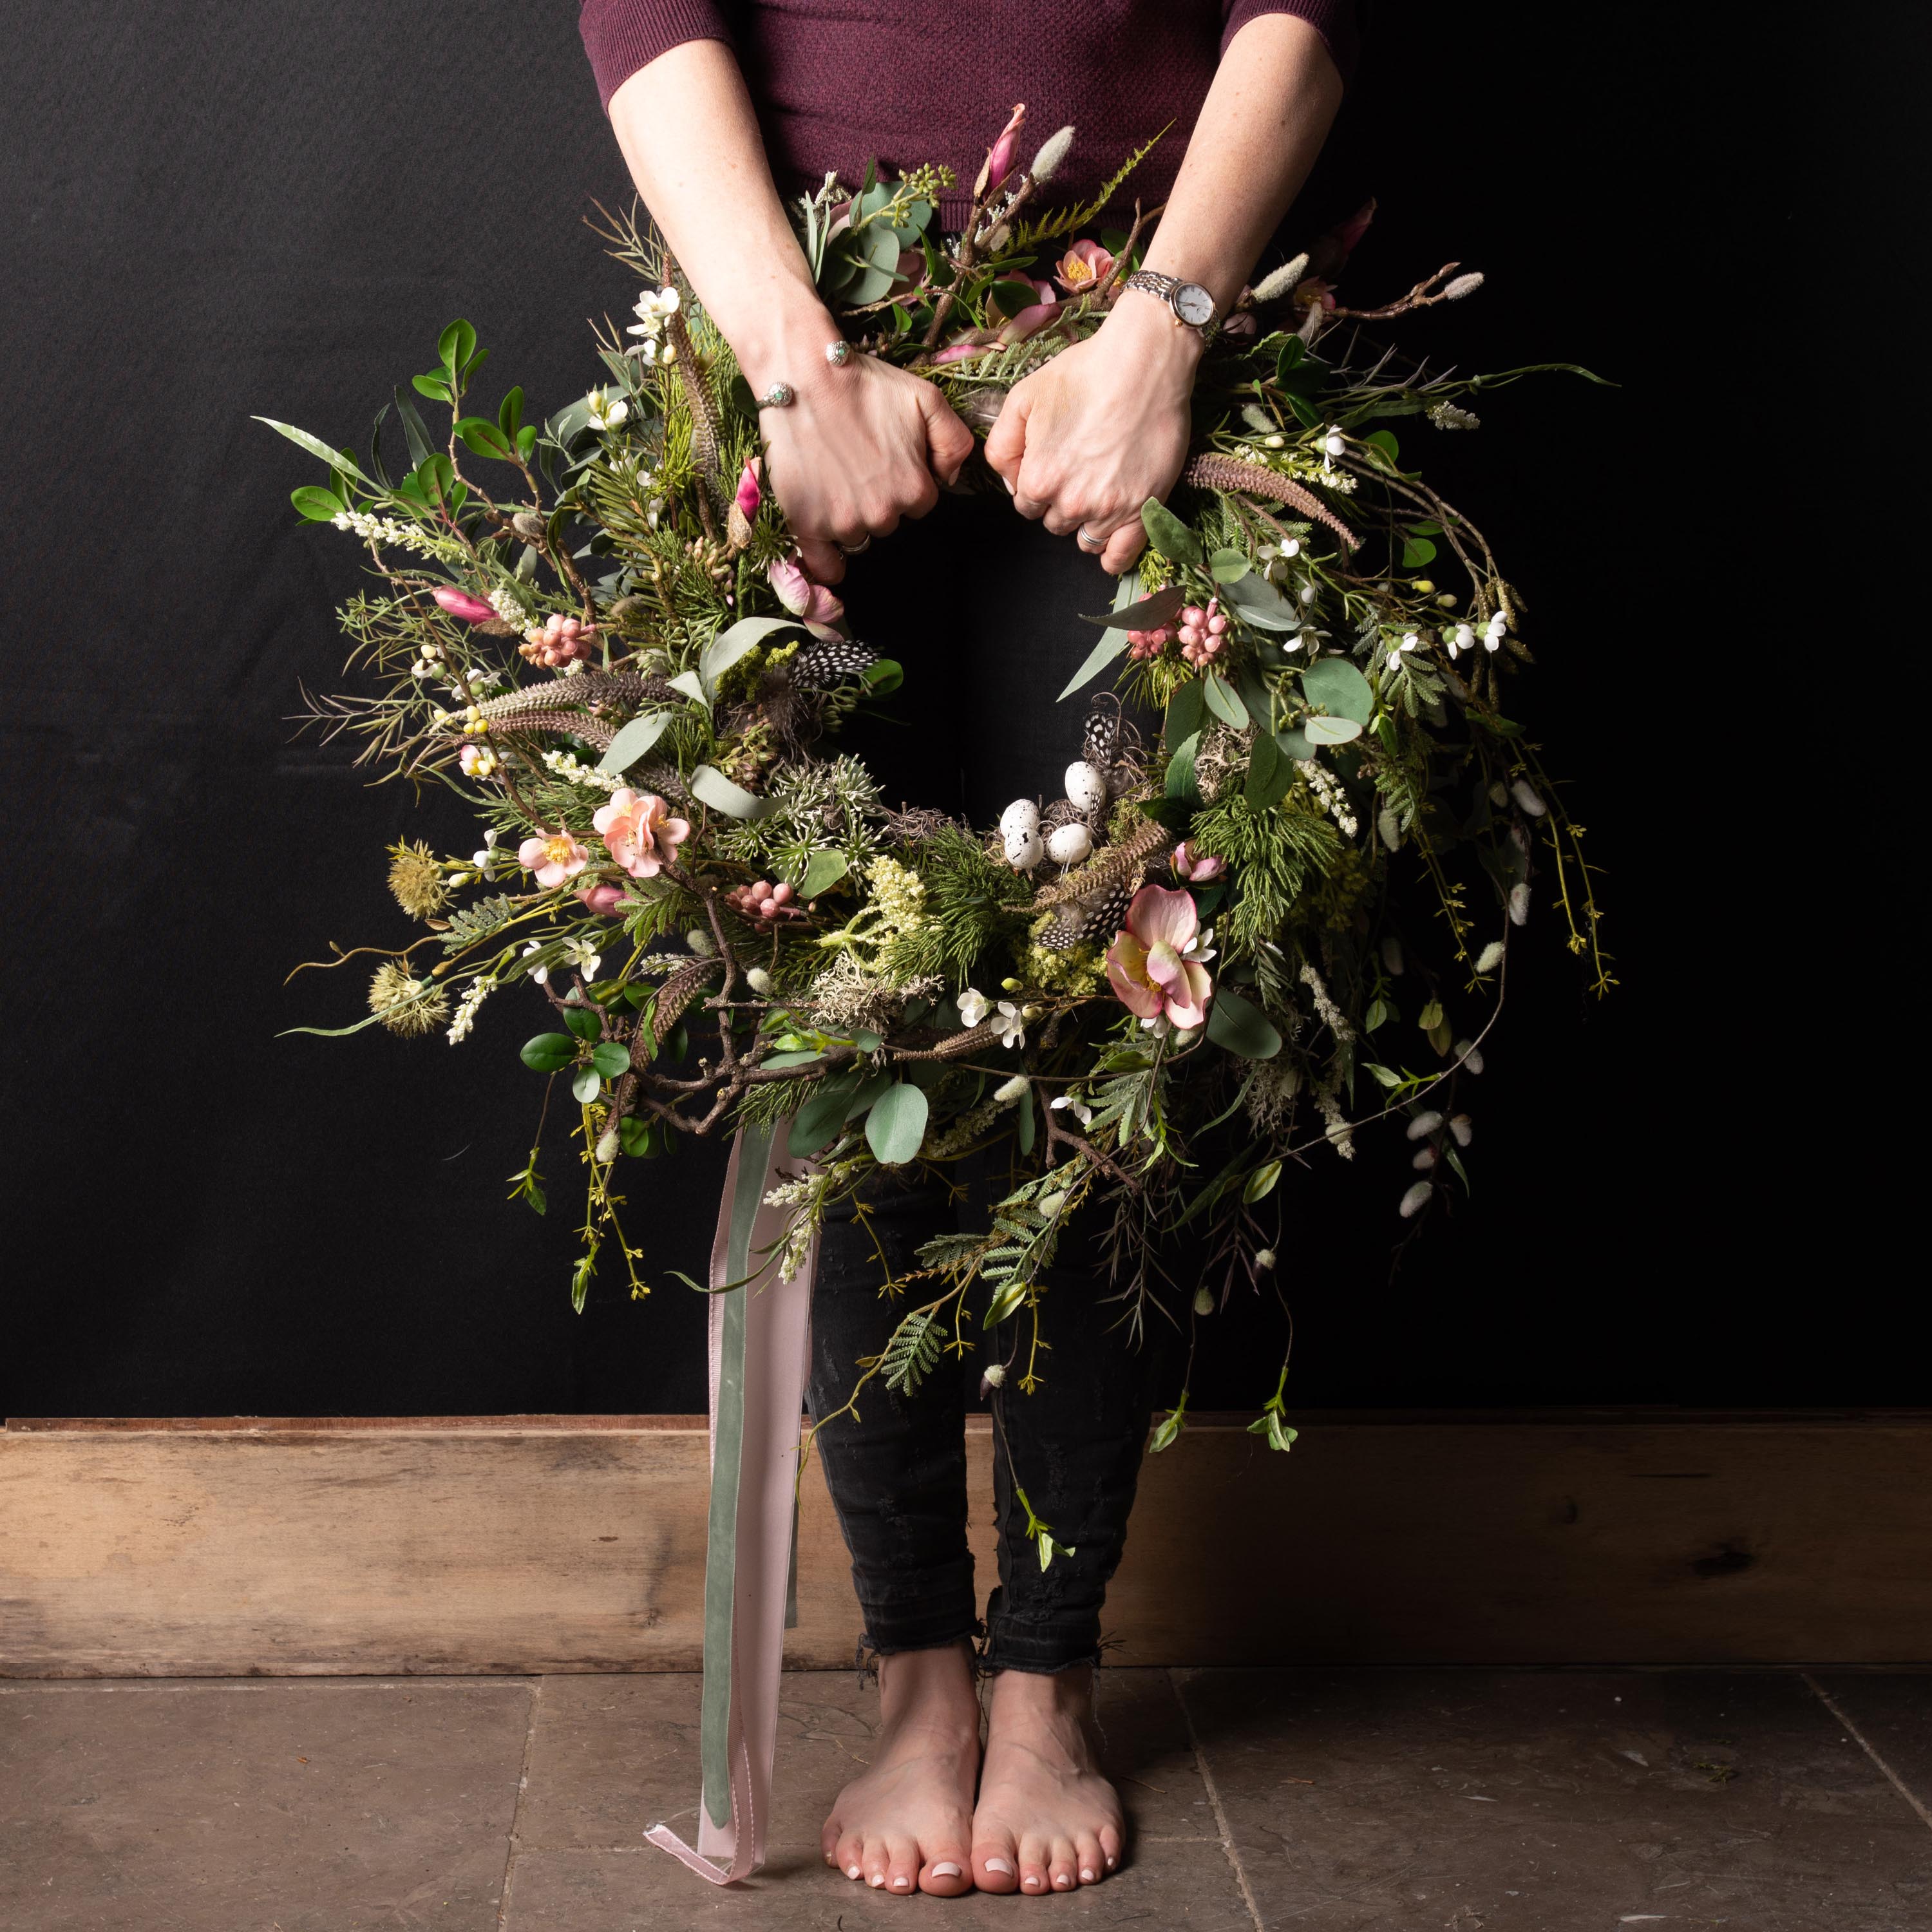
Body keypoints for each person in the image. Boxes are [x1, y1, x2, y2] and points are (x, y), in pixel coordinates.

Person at [580, 0, 1353, 1898]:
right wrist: (792, 366)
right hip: (819, 379)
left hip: (1149, 376)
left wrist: (1158, 340)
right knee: (859, 1047)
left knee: (1123, 1027)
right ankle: (919, 1673)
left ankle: (1047, 1681)